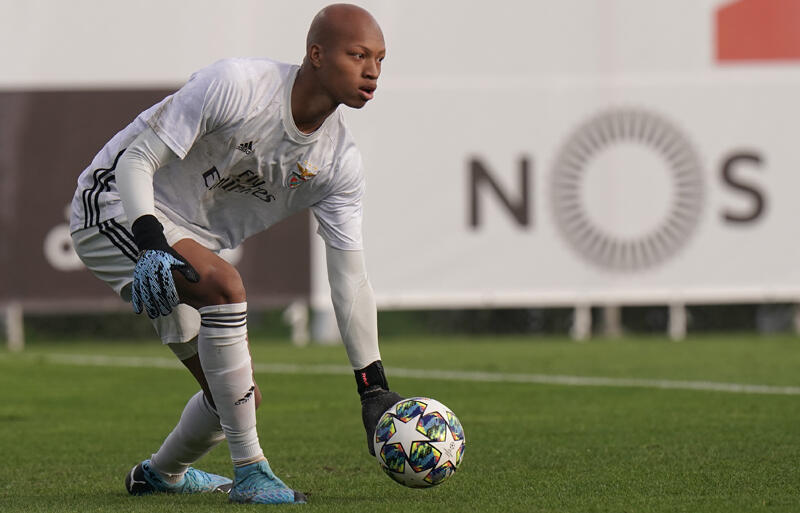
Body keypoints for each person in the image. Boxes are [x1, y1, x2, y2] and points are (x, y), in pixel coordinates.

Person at [68, 3, 402, 505]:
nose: (372, 70)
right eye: (358, 55)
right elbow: (136, 159)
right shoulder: (238, 85)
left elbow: (349, 278)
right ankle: (251, 472)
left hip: (183, 239)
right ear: (316, 54)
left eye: (380, 59)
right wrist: (151, 240)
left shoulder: (339, 162)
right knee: (226, 286)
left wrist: (373, 387)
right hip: (117, 205)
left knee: (236, 398)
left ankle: (160, 475)